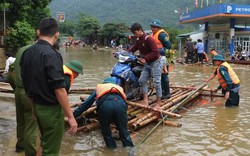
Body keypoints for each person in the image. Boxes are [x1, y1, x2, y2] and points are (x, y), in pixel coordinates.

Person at [20, 17, 77, 156]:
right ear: (56, 34)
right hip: (51, 111)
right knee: (50, 151)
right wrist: (70, 116)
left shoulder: (27, 53)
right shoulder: (52, 55)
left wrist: (34, 109)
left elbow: (28, 84)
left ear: (38, 32)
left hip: (37, 107)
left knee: (44, 143)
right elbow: (59, 88)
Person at [73, 77, 134, 149]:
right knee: (124, 130)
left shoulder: (99, 87)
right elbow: (124, 102)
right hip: (120, 105)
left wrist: (74, 115)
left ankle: (112, 150)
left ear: (104, 83)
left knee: (106, 131)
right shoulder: (119, 88)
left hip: (105, 106)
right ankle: (130, 151)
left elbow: (87, 103)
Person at [128, 23, 163, 109]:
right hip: (147, 63)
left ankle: (158, 103)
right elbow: (132, 49)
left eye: (135, 33)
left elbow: (155, 52)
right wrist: (122, 52)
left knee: (157, 82)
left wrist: (145, 58)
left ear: (140, 30)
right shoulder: (139, 40)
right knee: (142, 80)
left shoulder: (149, 39)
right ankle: (145, 100)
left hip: (156, 62)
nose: (134, 35)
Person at [14, 45, 39, 155]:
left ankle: (20, 145)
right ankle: (31, 152)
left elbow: (14, 69)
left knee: (20, 121)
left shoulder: (21, 49)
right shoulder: (36, 51)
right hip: (28, 92)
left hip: (18, 90)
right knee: (31, 125)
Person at [150, 19, 171, 99]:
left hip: (161, 56)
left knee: (164, 74)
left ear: (158, 28)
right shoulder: (152, 34)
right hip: (155, 56)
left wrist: (162, 50)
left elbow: (168, 45)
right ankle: (161, 91)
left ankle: (167, 93)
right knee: (158, 74)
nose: (153, 28)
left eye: (154, 27)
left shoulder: (162, 35)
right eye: (152, 27)